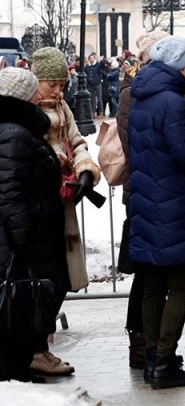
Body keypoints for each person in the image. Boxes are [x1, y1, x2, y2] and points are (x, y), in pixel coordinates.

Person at [128, 36, 185, 389]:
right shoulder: (172, 104)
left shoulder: (141, 98)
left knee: (151, 286)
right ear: (179, 64)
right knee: (178, 285)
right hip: (173, 203)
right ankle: (164, 361)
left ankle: (151, 362)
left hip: (146, 202)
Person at [31, 47, 101, 377]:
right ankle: (35, 342)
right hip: (37, 204)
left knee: (60, 274)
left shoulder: (62, 106)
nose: (59, 90)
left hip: (63, 201)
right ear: (37, 80)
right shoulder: (25, 109)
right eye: (53, 84)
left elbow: (77, 140)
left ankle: (41, 336)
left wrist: (86, 168)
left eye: (63, 84)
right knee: (41, 274)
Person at [0, 68, 68, 383]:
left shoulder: (19, 129)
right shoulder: (14, 132)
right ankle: (14, 382)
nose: (40, 96)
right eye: (34, 91)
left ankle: (19, 373)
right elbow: (9, 193)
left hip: (30, 237)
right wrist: (25, 238)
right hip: (23, 242)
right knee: (17, 312)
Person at [116, 30, 168, 370]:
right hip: (147, 192)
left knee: (150, 274)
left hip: (143, 191)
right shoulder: (134, 95)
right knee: (148, 273)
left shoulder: (134, 94)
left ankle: (145, 341)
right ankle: (142, 341)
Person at [84, 53, 103, 117]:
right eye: (90, 58)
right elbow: (86, 72)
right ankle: (93, 113)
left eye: (92, 58)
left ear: (94, 58)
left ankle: (101, 112)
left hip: (97, 83)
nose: (91, 59)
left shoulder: (98, 64)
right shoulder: (88, 66)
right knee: (92, 99)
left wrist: (102, 60)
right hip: (90, 84)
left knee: (99, 98)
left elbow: (103, 67)